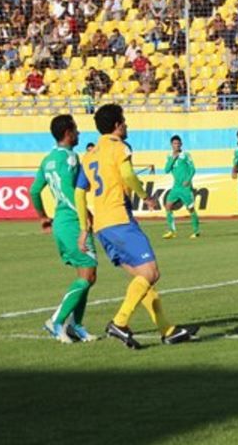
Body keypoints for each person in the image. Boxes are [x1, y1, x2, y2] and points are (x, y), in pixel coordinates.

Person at [76, 104, 197, 348]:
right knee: (151, 273)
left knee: (143, 279)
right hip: (120, 220)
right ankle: (119, 323)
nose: (127, 125)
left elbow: (79, 192)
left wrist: (83, 228)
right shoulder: (119, 147)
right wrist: (146, 196)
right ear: (116, 126)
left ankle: (168, 330)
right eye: (124, 121)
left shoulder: (88, 156)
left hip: (102, 226)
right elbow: (129, 176)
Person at [29, 114, 98, 344]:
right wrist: (84, 215)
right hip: (71, 221)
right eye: (76, 130)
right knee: (88, 273)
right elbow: (70, 191)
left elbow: (34, 191)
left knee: (87, 275)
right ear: (68, 133)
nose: (78, 133)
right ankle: (56, 321)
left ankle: (76, 326)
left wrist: (42, 218)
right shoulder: (69, 158)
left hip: (60, 221)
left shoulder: (47, 159)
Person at [161, 135, 200, 239]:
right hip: (176, 187)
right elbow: (166, 170)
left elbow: (192, 169)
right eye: (174, 144)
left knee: (190, 209)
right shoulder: (170, 156)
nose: (176, 145)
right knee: (168, 206)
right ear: (171, 145)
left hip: (185, 187)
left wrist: (188, 180)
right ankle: (172, 231)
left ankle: (196, 231)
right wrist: (173, 159)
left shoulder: (186, 155)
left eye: (178, 143)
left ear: (181, 144)